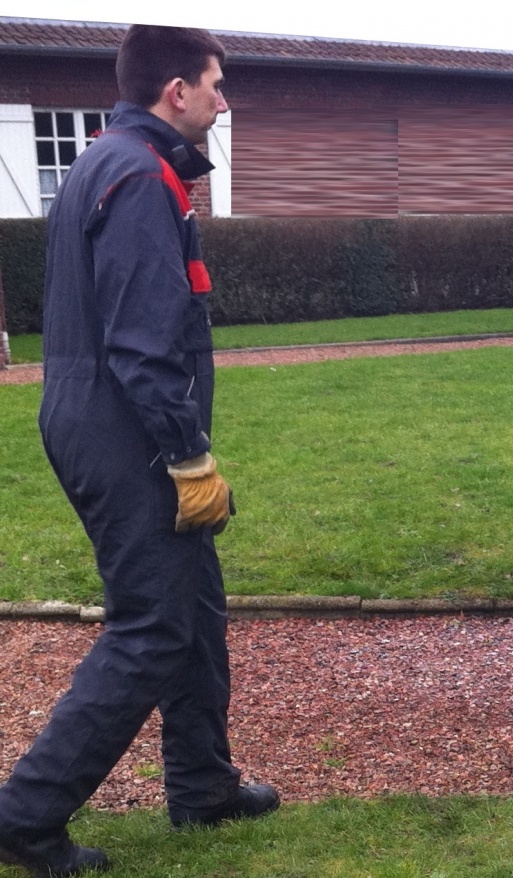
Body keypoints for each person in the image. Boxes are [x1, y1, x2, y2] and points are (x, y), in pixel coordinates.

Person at [0, 26, 278, 877]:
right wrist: (189, 459)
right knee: (153, 625)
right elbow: (146, 343)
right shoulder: (138, 175)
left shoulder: (107, 158)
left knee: (192, 608)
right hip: (123, 430)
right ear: (176, 92)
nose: (224, 101)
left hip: (100, 416)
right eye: (216, 85)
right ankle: (26, 814)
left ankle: (202, 787)